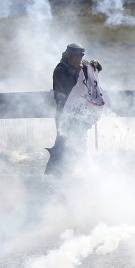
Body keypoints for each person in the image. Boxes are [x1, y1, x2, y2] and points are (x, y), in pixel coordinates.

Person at [45, 43, 103, 176]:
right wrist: (78, 73)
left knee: (79, 144)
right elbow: (70, 90)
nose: (79, 59)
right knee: (61, 145)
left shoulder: (81, 64)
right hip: (64, 114)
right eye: (76, 56)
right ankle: (51, 175)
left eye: (81, 56)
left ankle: (77, 174)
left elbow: (96, 70)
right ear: (69, 56)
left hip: (80, 113)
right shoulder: (60, 70)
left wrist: (96, 65)